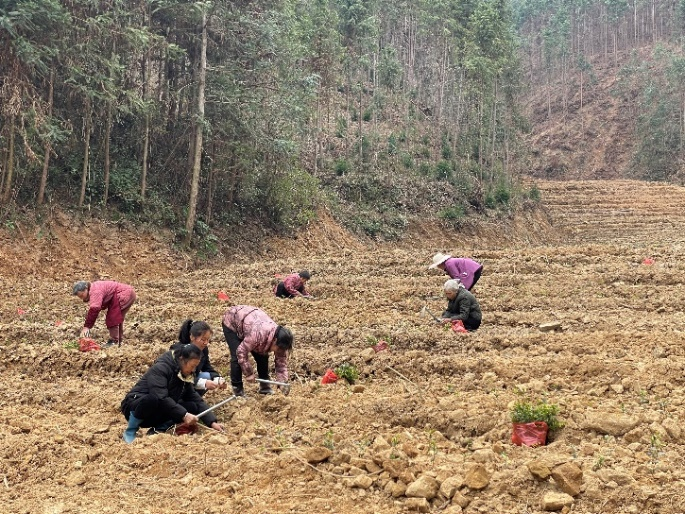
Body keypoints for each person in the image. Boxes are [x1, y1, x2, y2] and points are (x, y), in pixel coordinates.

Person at [120, 343, 224, 443]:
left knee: (192, 406)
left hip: (159, 408)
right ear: (182, 360)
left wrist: (212, 422)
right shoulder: (161, 368)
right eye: (192, 366)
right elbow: (160, 396)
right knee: (152, 399)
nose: (194, 370)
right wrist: (184, 415)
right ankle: (131, 431)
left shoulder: (184, 374)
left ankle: (157, 430)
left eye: (196, 366)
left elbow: (194, 397)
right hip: (136, 406)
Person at [221, 305, 293, 396]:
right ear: (274, 340)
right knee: (236, 356)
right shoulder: (257, 335)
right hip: (233, 321)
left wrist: (282, 381)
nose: (279, 351)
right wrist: (249, 373)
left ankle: (265, 387)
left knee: (263, 356)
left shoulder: (281, 341)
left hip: (250, 322)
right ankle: (238, 390)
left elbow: (281, 363)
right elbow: (241, 352)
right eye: (278, 348)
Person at [170, 319, 227, 397]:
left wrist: (218, 378)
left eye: (208, 340)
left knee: (207, 376)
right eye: (203, 339)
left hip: (192, 380)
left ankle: (193, 397)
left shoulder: (203, 349)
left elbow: (207, 367)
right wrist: (203, 383)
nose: (206, 343)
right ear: (192, 337)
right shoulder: (178, 350)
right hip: (176, 383)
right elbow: (178, 375)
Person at [73, 280, 136, 347]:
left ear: (86, 289)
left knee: (112, 317)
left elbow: (94, 310)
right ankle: (118, 339)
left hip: (124, 294)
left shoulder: (95, 291)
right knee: (117, 318)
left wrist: (87, 327)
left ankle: (114, 341)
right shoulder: (94, 287)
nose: (82, 298)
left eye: (82, 295)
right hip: (128, 293)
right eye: (80, 297)